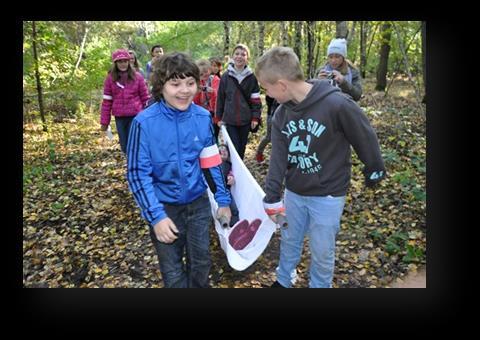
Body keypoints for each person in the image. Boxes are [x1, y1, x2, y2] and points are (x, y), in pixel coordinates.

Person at [255, 46, 386, 288]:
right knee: (290, 239)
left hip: (328, 195)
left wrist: (374, 168)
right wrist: (272, 194)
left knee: (322, 250)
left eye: (267, 89)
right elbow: (278, 158)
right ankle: (283, 281)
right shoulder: (282, 114)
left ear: (282, 85)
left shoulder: (336, 104)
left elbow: (364, 135)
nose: (268, 94)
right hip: (295, 192)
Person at [126, 52, 232, 288]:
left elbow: (211, 162)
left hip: (198, 203)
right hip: (164, 207)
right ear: (161, 86)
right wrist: (156, 217)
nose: (184, 90)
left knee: (201, 263)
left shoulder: (203, 117)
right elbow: (137, 174)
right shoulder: (144, 123)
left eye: (190, 83)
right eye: (175, 84)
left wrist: (223, 200)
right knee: (172, 270)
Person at [215, 44, 262, 160]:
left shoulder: (252, 78)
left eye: (243, 54)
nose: (239, 57)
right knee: (233, 147)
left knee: (241, 147)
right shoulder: (226, 77)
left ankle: (237, 173)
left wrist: (255, 117)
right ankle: (232, 173)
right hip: (229, 119)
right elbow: (220, 98)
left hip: (245, 120)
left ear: (247, 58)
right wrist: (218, 118)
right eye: (237, 54)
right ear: (232, 57)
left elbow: (256, 100)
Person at [100, 48, 150, 154]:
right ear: (115, 63)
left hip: (136, 116)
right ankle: (130, 166)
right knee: (125, 146)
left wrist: (149, 118)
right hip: (120, 117)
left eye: (125, 61)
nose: (123, 64)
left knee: (137, 144)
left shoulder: (138, 77)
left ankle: (139, 167)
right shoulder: (110, 79)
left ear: (129, 62)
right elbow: (107, 102)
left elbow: (145, 98)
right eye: (120, 62)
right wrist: (105, 122)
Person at [193, 59, 221, 141]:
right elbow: (195, 101)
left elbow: (217, 95)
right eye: (201, 74)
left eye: (206, 71)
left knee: (214, 136)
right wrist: (199, 91)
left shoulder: (215, 79)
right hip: (201, 115)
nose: (204, 74)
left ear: (210, 69)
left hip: (214, 114)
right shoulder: (198, 83)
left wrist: (208, 91)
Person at [218, 144, 240, 227]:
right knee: (222, 213)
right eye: (220, 150)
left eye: (225, 150)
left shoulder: (229, 165)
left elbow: (231, 174)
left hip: (225, 191)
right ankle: (225, 226)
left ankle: (234, 227)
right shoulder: (214, 165)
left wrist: (231, 177)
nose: (223, 151)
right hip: (216, 191)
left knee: (234, 211)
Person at [255, 94, 280, 164]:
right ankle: (259, 154)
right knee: (269, 137)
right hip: (272, 116)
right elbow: (268, 100)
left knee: (281, 139)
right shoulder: (272, 89)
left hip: (284, 118)